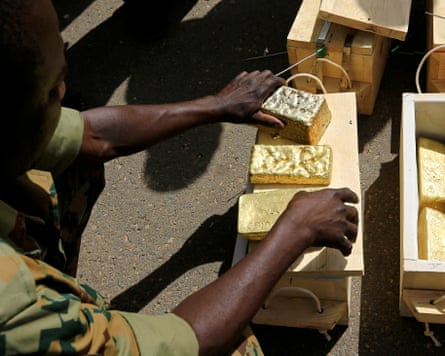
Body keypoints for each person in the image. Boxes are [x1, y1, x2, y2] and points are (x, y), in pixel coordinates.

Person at [0, 0, 359, 355]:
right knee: (234, 345)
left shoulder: (11, 125)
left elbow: (94, 136)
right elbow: (187, 342)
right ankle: (69, 308)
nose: (64, 93)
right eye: (52, 89)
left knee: (76, 163)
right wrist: (296, 229)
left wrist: (216, 105)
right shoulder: (13, 310)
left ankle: (55, 274)